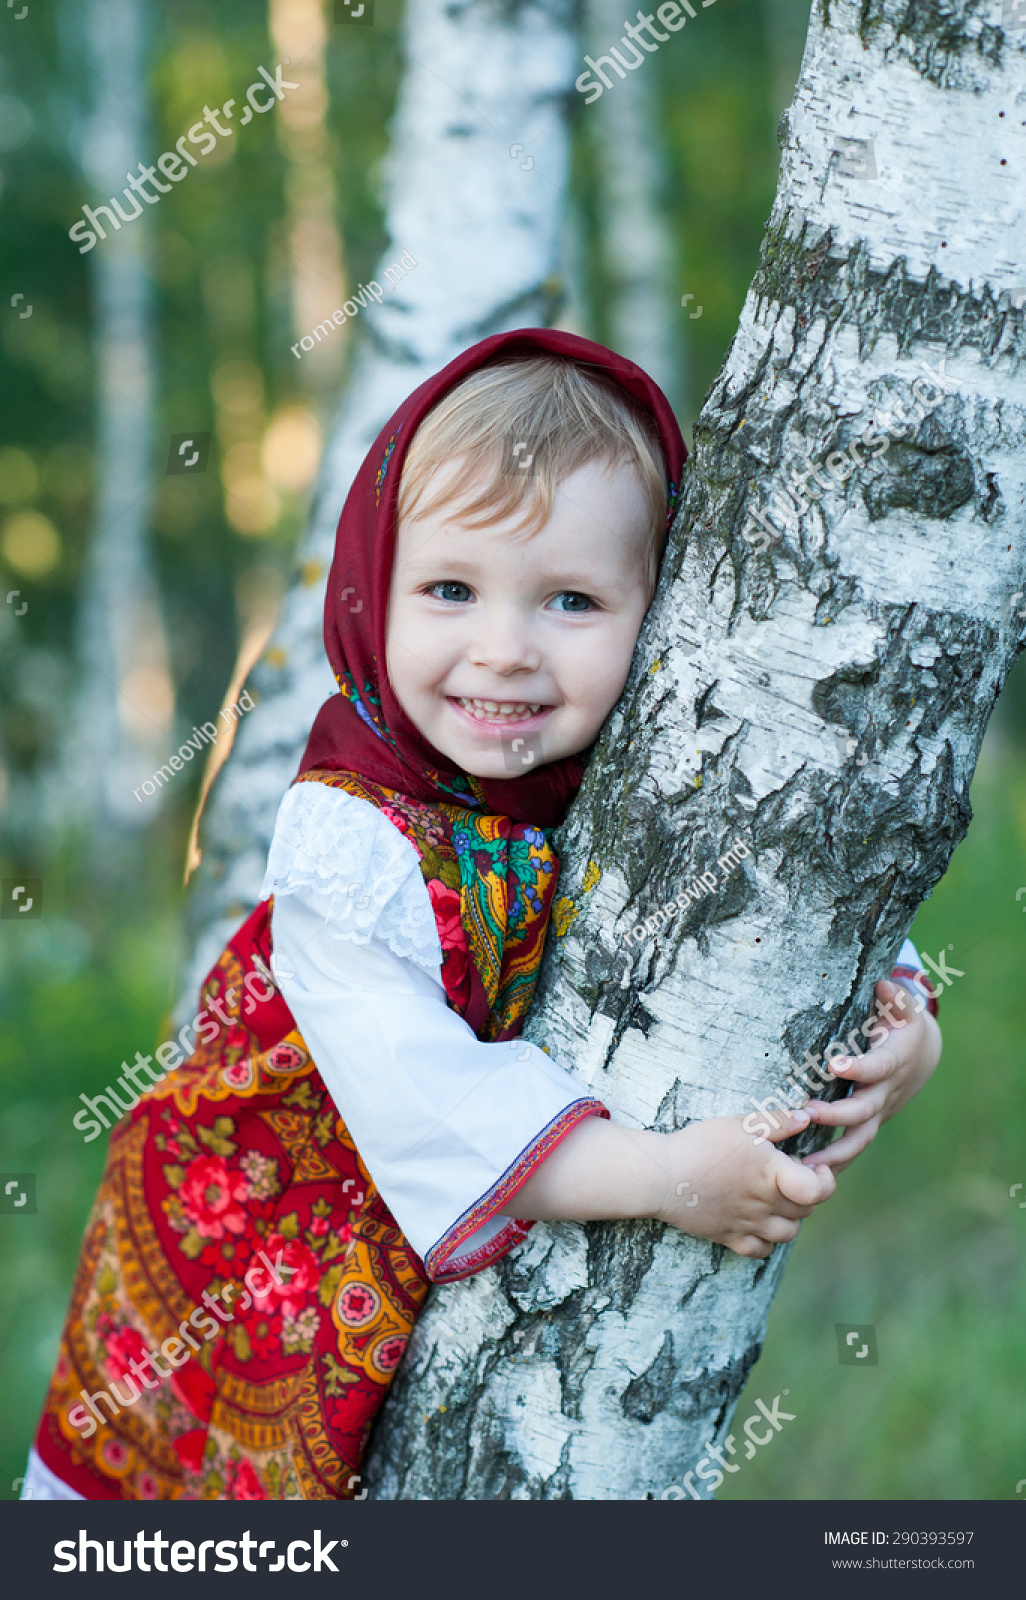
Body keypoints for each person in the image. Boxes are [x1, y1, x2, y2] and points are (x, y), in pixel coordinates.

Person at [23, 330, 940, 1502]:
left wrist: (905, 1021)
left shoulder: (632, 755)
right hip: (250, 1237)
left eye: (571, 599)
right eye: (451, 589)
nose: (503, 653)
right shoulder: (351, 836)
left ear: (661, 613)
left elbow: (774, 886)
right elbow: (424, 1098)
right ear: (373, 585)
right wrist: (665, 1177)